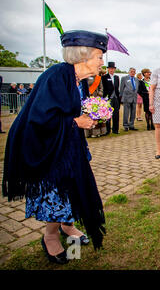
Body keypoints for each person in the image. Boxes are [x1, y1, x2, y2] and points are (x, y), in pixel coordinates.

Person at [2, 30, 107, 264]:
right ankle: (50, 235)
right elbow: (40, 119)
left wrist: (91, 116)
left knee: (73, 187)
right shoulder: (56, 76)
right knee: (57, 193)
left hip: (68, 144)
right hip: (46, 146)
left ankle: (67, 227)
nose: (102, 61)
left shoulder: (80, 80)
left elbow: (70, 111)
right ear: (83, 55)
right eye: (99, 56)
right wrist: (75, 122)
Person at [84, 69, 107, 138]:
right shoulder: (86, 77)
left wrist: (99, 94)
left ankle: (97, 132)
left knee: (96, 116)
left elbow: (101, 88)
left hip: (97, 99)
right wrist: (87, 94)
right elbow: (84, 87)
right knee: (89, 115)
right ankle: (88, 132)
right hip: (88, 98)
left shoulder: (98, 78)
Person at [102, 62, 121, 134]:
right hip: (108, 97)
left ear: (114, 69)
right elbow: (104, 88)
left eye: (113, 68)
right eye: (110, 68)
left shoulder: (116, 77)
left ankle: (115, 129)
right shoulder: (104, 77)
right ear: (108, 69)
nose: (111, 70)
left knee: (116, 114)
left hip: (116, 97)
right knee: (108, 114)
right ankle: (107, 130)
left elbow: (117, 88)